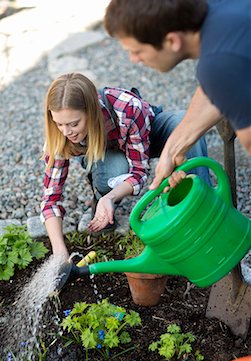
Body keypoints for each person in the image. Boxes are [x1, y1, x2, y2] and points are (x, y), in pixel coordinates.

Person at [104, 0, 251, 190]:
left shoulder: (217, 66)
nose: (133, 60)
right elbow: (217, 91)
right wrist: (173, 149)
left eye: (137, 51)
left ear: (172, 41)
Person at [40, 72, 210, 257]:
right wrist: (59, 252)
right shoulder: (59, 135)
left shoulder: (128, 107)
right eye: (59, 124)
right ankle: (102, 200)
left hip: (147, 134)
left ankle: (203, 209)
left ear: (92, 110)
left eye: (73, 124)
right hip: (106, 152)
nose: (66, 132)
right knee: (116, 169)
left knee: (184, 123)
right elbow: (51, 199)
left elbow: (139, 172)